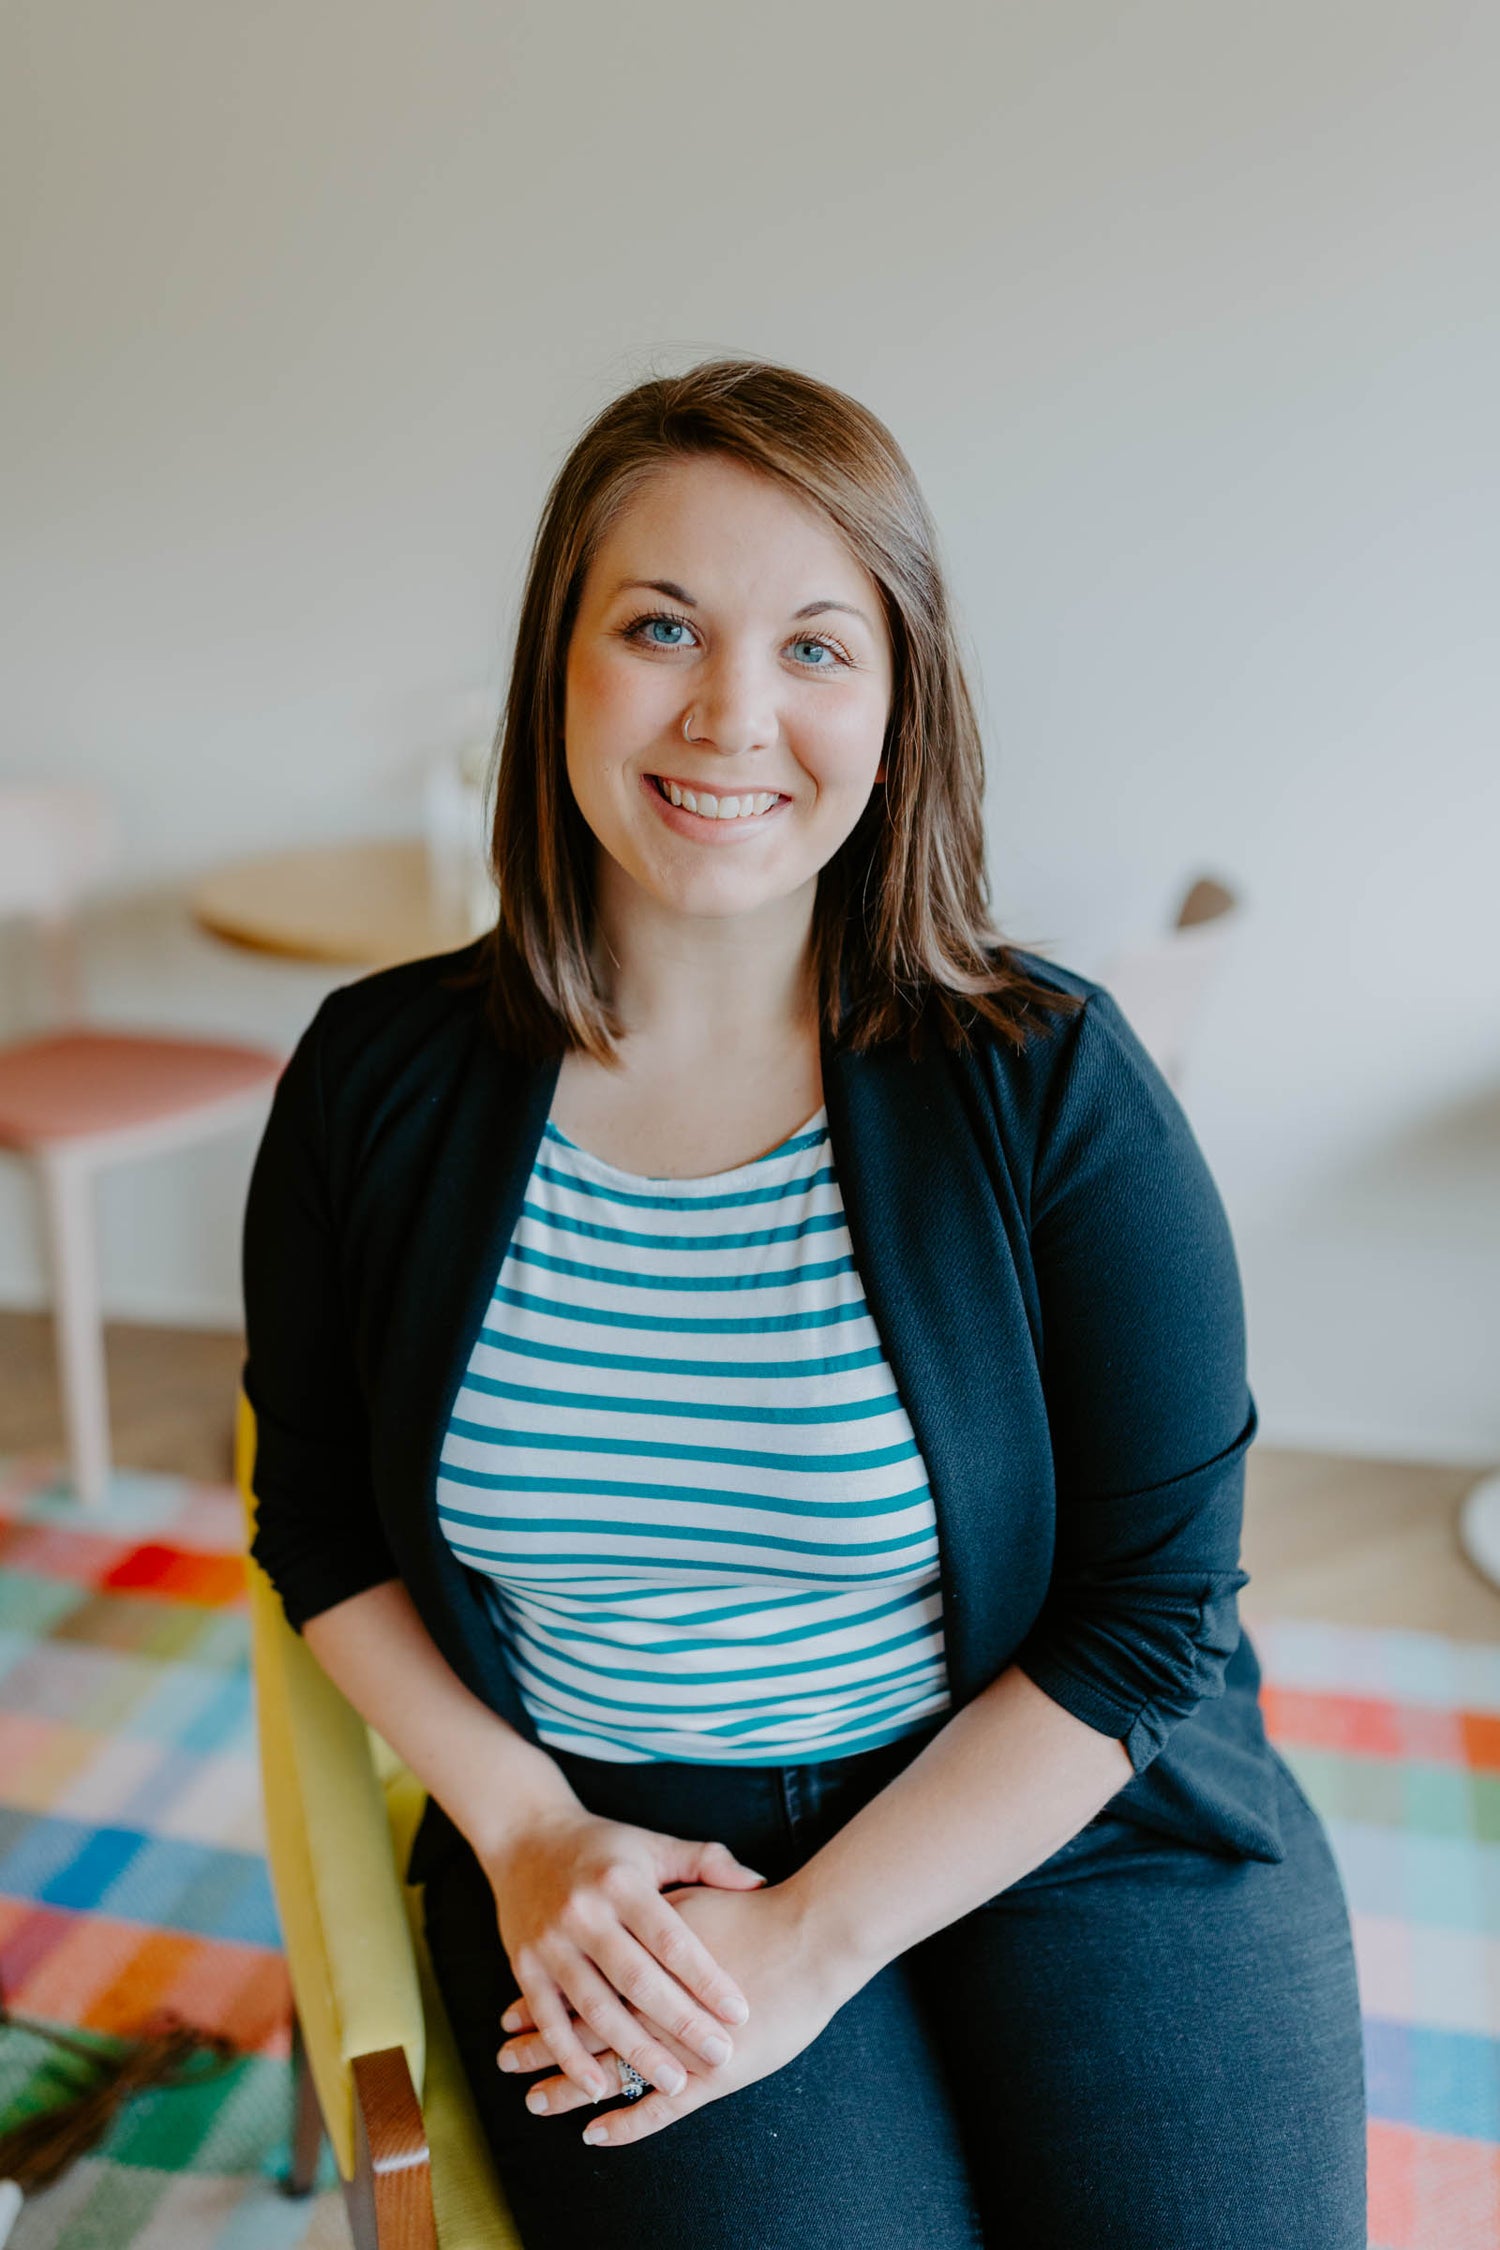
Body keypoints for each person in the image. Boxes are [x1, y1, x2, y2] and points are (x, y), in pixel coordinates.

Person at [242, 357, 1368, 2248]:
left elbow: (1154, 1609)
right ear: (558, 666)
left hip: (1066, 1823)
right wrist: (521, 1828)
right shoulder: (373, 1082)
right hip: (626, 1870)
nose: (731, 713)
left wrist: (824, 1938)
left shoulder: (1051, 1079)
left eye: (818, 648)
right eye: (660, 624)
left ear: (900, 701)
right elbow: (325, 1524)